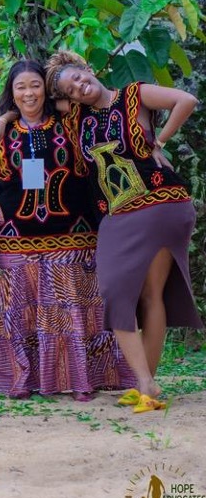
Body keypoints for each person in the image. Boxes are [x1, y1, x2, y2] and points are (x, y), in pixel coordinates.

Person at [44, 50, 202, 412]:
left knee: (151, 294)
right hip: (117, 213)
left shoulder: (135, 94)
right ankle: (145, 381)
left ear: (89, 70)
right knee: (116, 292)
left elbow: (186, 100)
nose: (81, 87)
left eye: (81, 78)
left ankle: (146, 384)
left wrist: (159, 140)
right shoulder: (78, 118)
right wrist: (5, 119)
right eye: (72, 89)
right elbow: (35, 99)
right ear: (68, 98)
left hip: (161, 202)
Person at [0, 60, 134, 400]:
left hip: (73, 240)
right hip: (16, 245)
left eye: (35, 85)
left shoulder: (70, 121)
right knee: (17, 315)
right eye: (20, 87)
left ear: (46, 89)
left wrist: (8, 115)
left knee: (73, 313)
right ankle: (21, 380)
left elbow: (77, 101)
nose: (29, 93)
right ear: (11, 93)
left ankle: (80, 381)